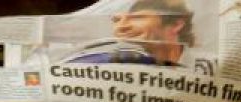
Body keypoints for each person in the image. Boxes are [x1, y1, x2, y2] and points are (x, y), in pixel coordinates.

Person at [66, 0, 194, 65]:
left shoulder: (207, 69)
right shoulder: (105, 65)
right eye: (116, 20)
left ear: (176, 24)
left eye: (137, 17)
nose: (120, 27)